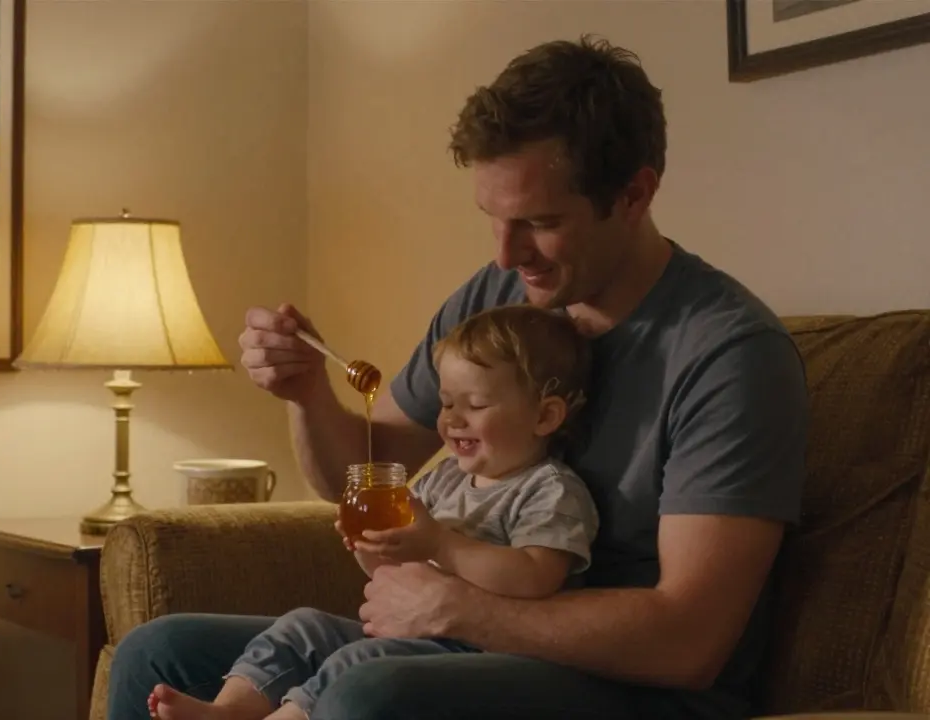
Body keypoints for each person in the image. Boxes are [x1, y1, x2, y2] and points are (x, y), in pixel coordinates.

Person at [107, 34, 809, 720]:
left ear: (634, 195)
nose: (507, 256)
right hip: (466, 644)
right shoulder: (494, 299)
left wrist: (460, 606)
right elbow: (364, 473)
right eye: (494, 220)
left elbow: (688, 640)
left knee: (367, 696)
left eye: (539, 222)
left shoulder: (728, 356)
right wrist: (307, 395)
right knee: (158, 653)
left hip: (640, 687)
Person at [146, 305, 601, 720]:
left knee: (356, 664)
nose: (453, 420)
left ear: (544, 417)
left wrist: (442, 543)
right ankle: (227, 710)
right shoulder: (443, 479)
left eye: (476, 405)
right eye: (446, 403)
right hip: (414, 633)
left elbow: (535, 577)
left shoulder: (550, 490)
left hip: (486, 654)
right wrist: (373, 547)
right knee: (302, 627)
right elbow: (400, 569)